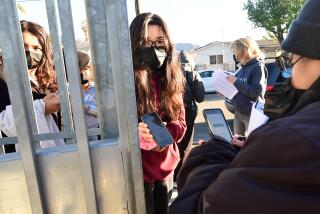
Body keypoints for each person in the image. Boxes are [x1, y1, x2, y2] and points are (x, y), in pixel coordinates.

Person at [170, 0, 320, 213]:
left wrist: (209, 153)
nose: (290, 71)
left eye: (290, 60)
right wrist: (253, 151)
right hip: (239, 111)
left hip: (249, 111)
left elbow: (205, 205)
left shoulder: (294, 138)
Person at [129, 13, 186, 214]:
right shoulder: (125, 82)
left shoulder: (172, 78)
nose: (154, 48)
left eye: (160, 42)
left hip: (165, 169)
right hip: (135, 172)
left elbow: (181, 124)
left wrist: (162, 132)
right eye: (146, 42)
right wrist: (136, 134)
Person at [0, 20, 64, 152]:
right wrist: (43, 108)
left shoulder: (45, 81)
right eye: (24, 46)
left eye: (36, 48)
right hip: (14, 159)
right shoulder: (3, 82)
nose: (29, 52)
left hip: (51, 155)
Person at [174, 51, 205, 182]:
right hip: (189, 114)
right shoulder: (194, 74)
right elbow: (200, 97)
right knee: (186, 146)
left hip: (173, 114)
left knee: (174, 144)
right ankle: (181, 176)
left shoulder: (171, 73)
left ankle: (173, 174)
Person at [227, 37, 266, 137]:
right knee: (237, 143)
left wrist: (236, 81)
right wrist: (225, 91)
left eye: (235, 51)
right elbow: (238, 89)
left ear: (243, 50)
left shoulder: (258, 67)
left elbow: (255, 93)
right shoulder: (241, 68)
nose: (235, 55)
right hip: (239, 111)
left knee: (254, 145)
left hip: (252, 113)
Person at [78, 51, 99, 139]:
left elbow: (103, 112)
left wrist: (87, 108)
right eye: (81, 69)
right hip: (77, 132)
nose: (84, 72)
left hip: (94, 130)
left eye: (86, 69)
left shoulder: (97, 89)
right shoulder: (70, 89)